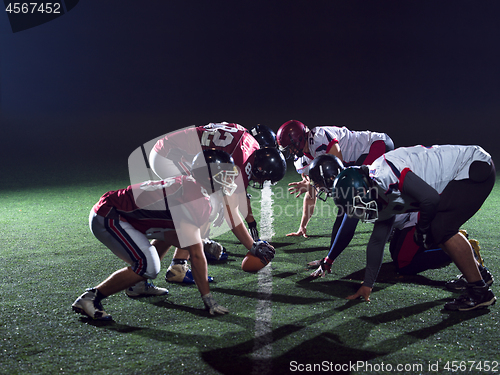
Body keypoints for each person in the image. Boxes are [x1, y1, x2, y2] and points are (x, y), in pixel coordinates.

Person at [72, 150, 239, 320]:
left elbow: (185, 237)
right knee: (148, 266)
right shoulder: (194, 199)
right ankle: (90, 298)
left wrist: (200, 242)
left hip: (129, 215)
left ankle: (138, 286)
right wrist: (207, 298)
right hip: (110, 216)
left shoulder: (193, 186)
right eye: (224, 175)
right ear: (208, 176)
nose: (229, 180)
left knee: (183, 239)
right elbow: (196, 256)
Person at [332, 144, 496, 311]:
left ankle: (480, 293)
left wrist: (422, 229)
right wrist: (368, 284)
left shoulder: (385, 175)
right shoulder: (375, 190)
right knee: (437, 229)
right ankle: (479, 274)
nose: (360, 213)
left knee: (440, 229)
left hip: (473, 167)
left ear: (363, 190)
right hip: (461, 174)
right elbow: (377, 241)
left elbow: (430, 199)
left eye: (358, 207)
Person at [147, 123, 285, 283]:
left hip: (174, 149)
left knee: (210, 203)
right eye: (263, 179)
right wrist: (252, 246)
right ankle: (178, 266)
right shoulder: (242, 161)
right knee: (202, 206)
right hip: (171, 156)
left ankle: (199, 247)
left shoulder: (248, 144)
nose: (260, 182)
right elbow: (231, 212)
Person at [276, 120, 394, 276]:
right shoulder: (301, 161)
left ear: (298, 140)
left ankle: (396, 222)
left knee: (352, 204)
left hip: (375, 146)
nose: (290, 152)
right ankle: (330, 256)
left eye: (290, 147)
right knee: (348, 205)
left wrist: (312, 184)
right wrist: (302, 226)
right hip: (351, 165)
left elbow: (337, 173)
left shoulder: (319, 138)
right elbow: (311, 195)